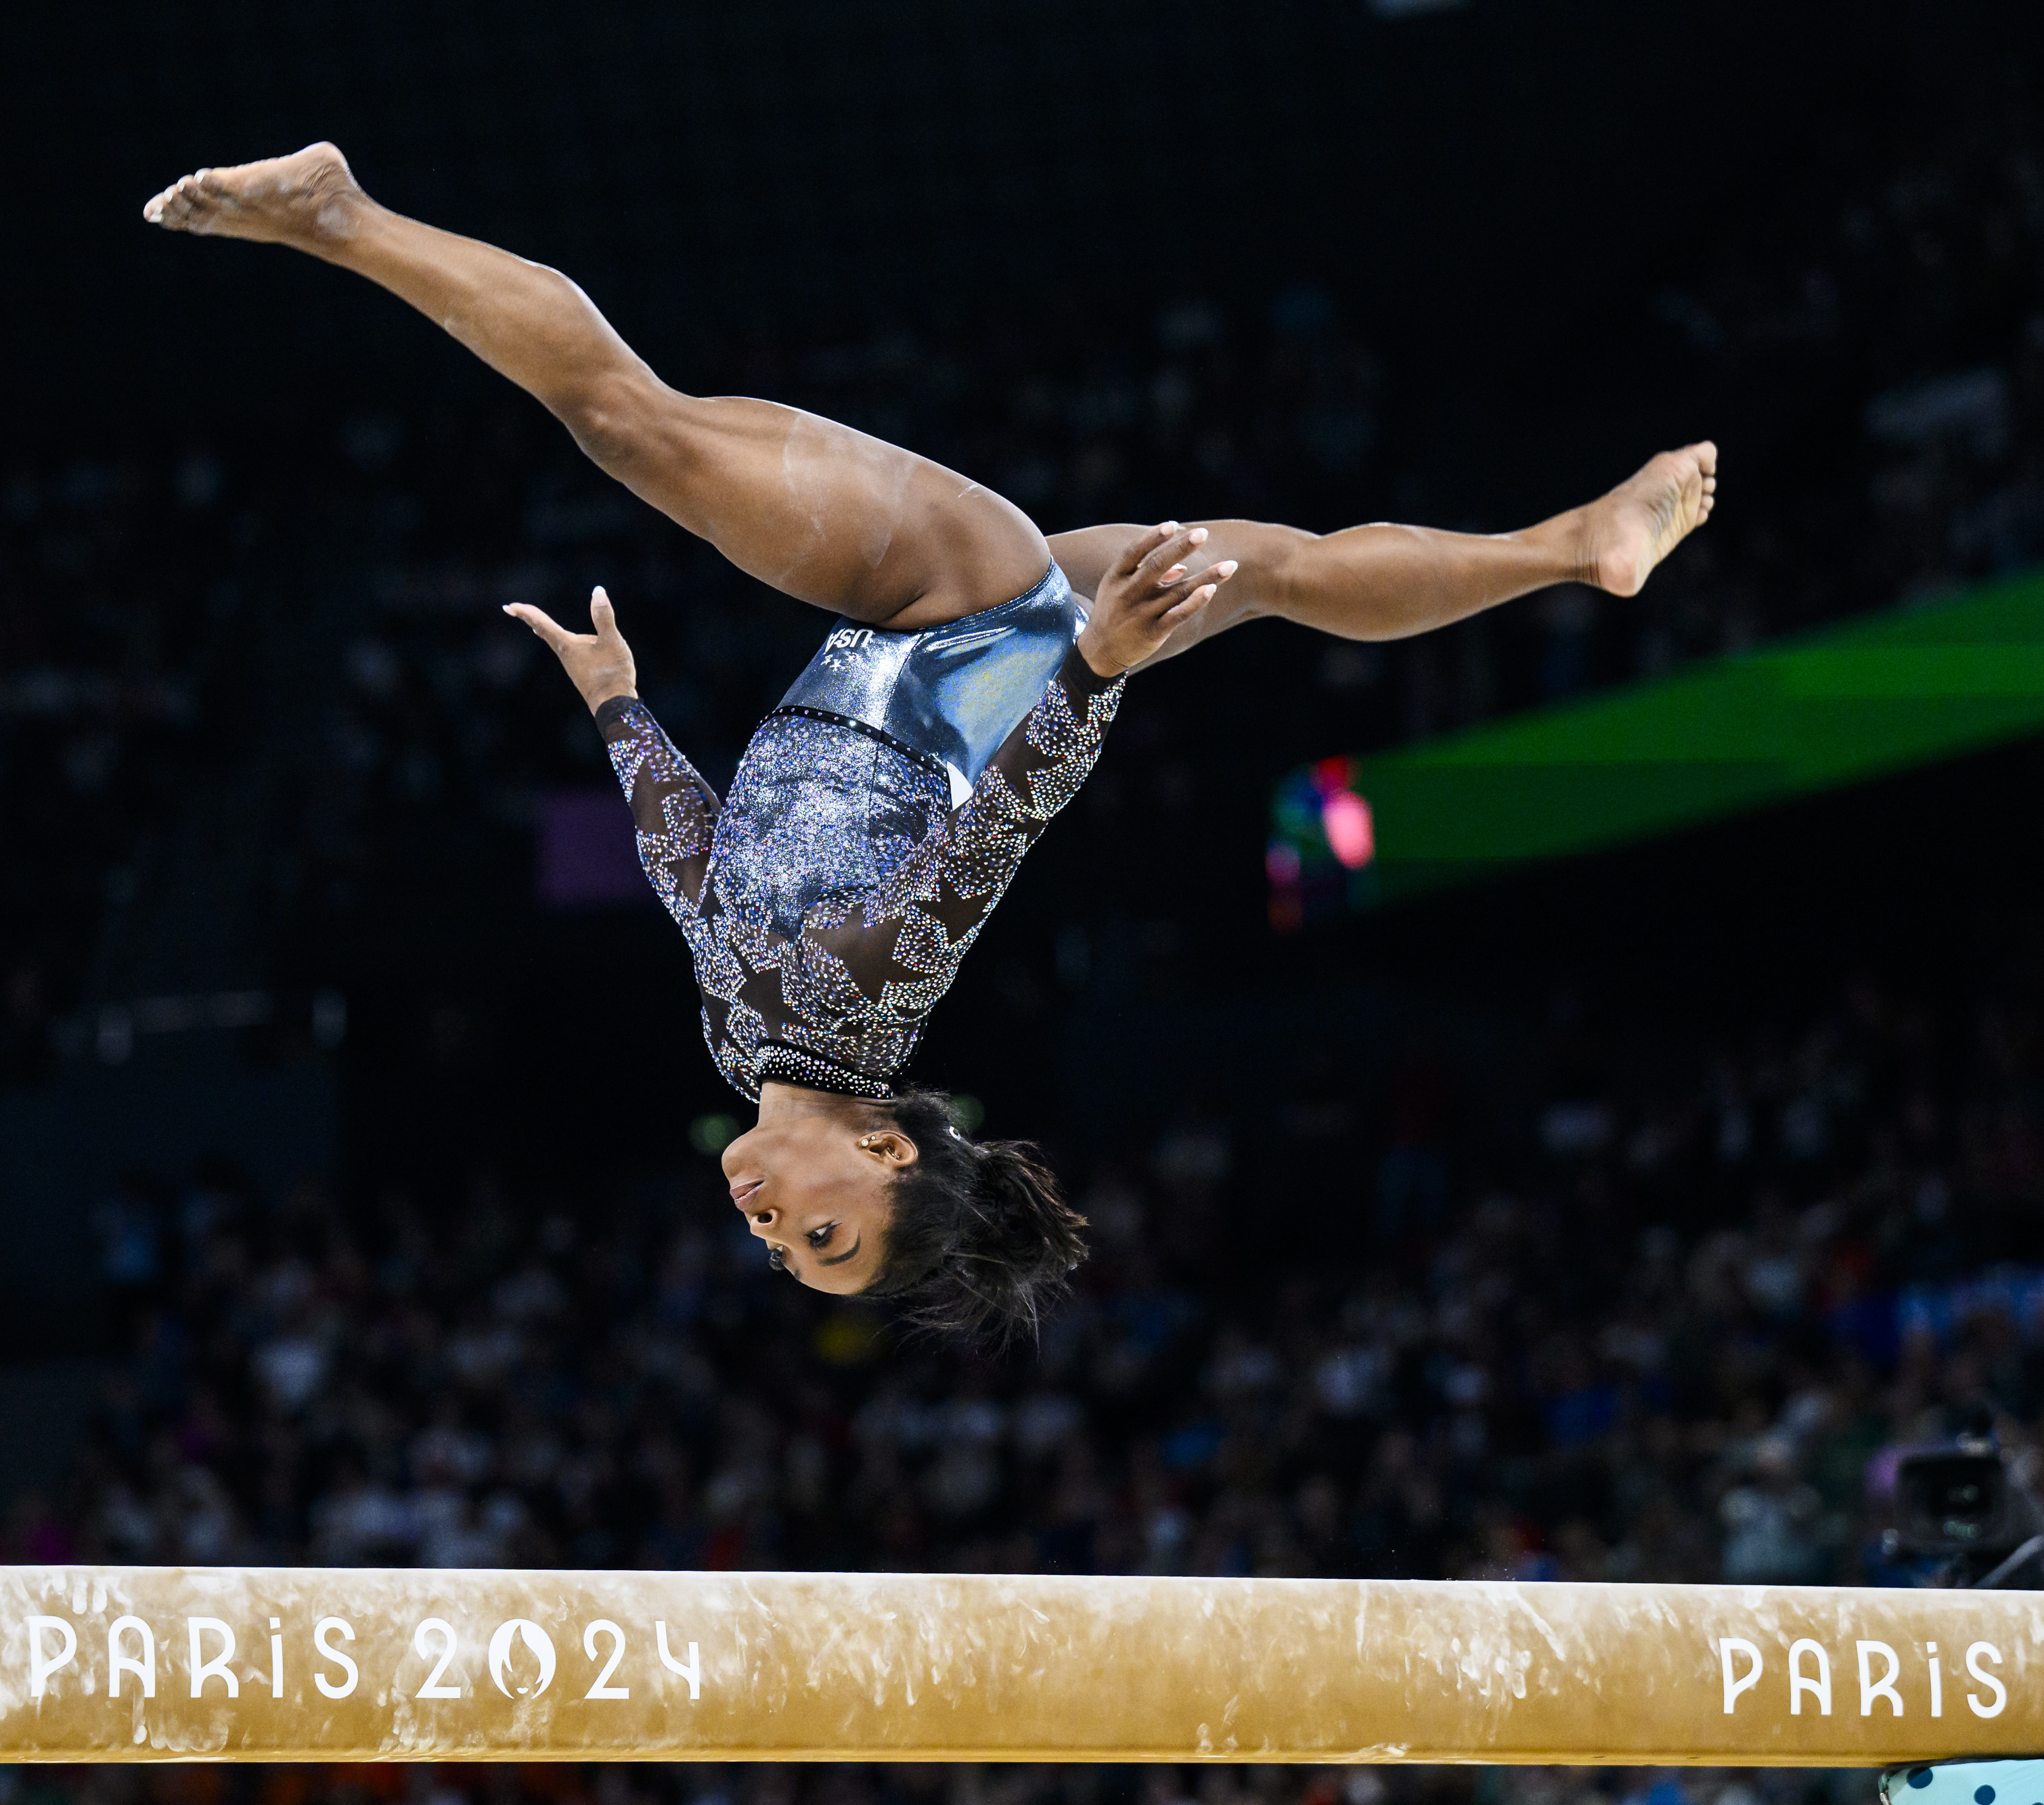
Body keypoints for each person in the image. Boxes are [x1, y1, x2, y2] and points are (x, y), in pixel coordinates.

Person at [146, 144, 1717, 1341]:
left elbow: (696, 876)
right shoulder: (868, 1012)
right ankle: (340, 213)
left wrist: (620, 707)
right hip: (937, 613)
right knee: (630, 421)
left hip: (965, 632)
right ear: (889, 1151)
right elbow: (992, 839)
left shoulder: (752, 1044)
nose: (773, 1230)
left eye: (784, 1255)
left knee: (1285, 573)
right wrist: (1092, 672)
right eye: (820, 1237)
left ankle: (1570, 543)